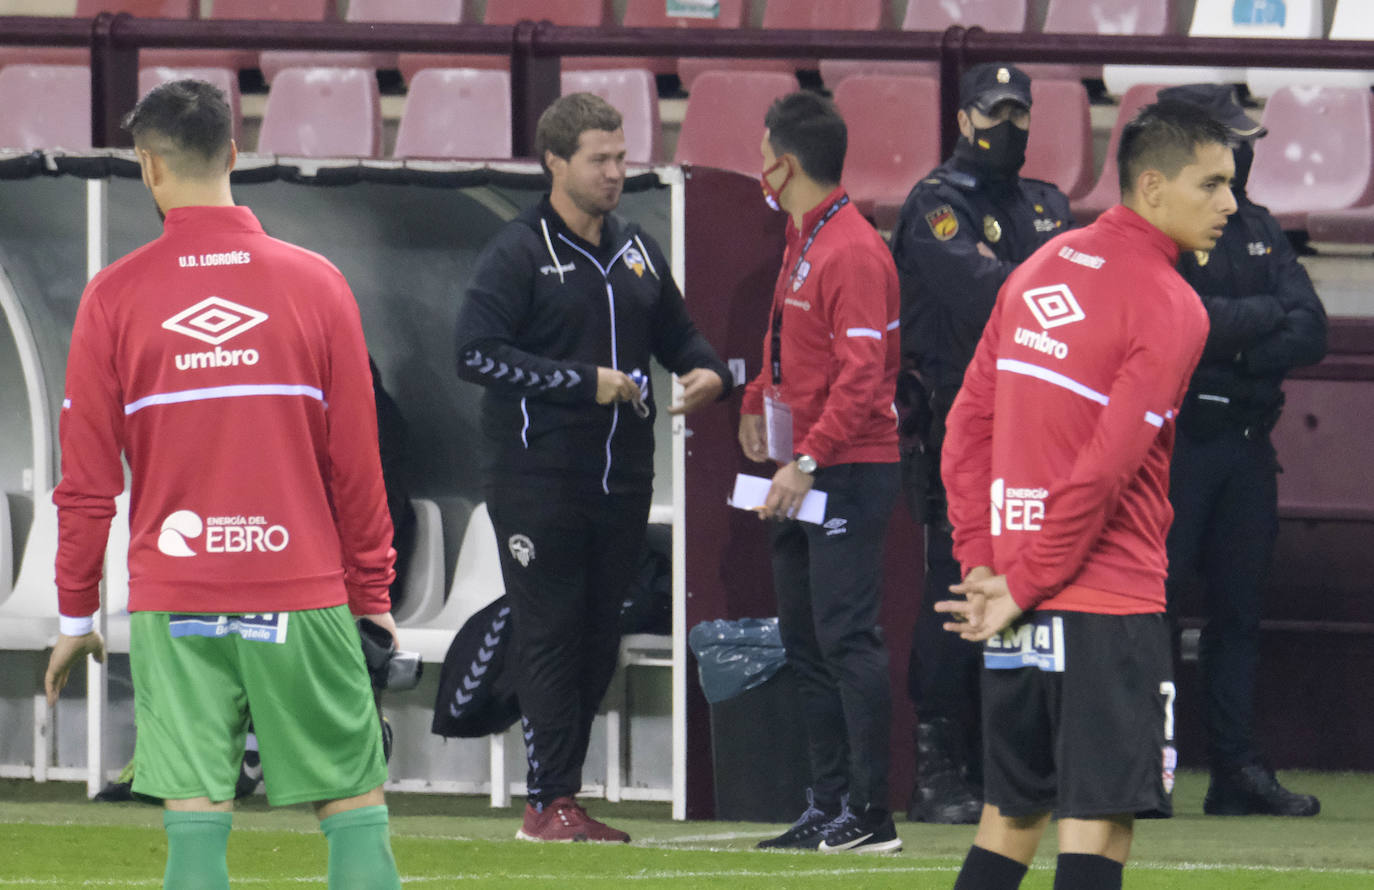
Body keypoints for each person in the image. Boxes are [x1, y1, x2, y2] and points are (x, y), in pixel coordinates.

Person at [43, 80, 402, 890]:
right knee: (352, 803)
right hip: (300, 589)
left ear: (147, 168)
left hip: (179, 597)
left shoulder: (114, 297)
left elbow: (87, 481)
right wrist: (371, 592)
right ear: (235, 154)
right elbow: (357, 462)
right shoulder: (317, 284)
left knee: (197, 814)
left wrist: (76, 613)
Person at [934, 101, 1237, 890]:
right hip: (1104, 602)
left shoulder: (1038, 266)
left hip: (1010, 596)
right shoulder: (1174, 306)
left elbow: (966, 428)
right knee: (1097, 829)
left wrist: (983, 566)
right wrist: (1023, 581)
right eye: (1212, 186)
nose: (1230, 205)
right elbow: (1104, 471)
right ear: (1152, 186)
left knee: (1011, 820)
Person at [454, 92, 731, 843]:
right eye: (599, 160)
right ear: (555, 163)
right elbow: (473, 353)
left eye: (621, 157)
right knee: (549, 633)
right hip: (535, 479)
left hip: (622, 482)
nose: (615, 173)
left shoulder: (637, 246)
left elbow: (679, 334)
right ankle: (548, 801)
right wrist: (585, 381)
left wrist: (707, 371)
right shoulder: (518, 250)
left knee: (596, 637)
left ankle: (559, 796)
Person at [889, 62, 1074, 824]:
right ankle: (939, 766)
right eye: (995, 113)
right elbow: (990, 297)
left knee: (1032, 590)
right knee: (956, 590)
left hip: (1037, 430)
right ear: (964, 119)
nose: (1010, 127)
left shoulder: (1046, 201)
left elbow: (1070, 296)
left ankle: (1014, 761)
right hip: (954, 429)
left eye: (1020, 113)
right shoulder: (938, 203)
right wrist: (1051, 287)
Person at [1157, 83, 1327, 818]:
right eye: (1229, 138)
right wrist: (1261, 322)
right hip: (1179, 446)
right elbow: (1174, 321)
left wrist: (1235, 343)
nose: (1242, 151)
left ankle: (1235, 771)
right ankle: (1143, 769)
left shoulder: (1256, 224)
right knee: (1148, 610)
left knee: (1238, 613)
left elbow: (1312, 328)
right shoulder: (1159, 224)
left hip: (1248, 444)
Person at [739, 91, 902, 855]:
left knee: (846, 639)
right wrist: (754, 399)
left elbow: (863, 377)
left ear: (786, 161)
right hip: (803, 468)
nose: (757, 165)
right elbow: (785, 334)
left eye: (762, 151)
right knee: (806, 642)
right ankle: (828, 802)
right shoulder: (802, 237)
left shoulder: (853, 250)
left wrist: (806, 460)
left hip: (845, 470)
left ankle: (872, 814)